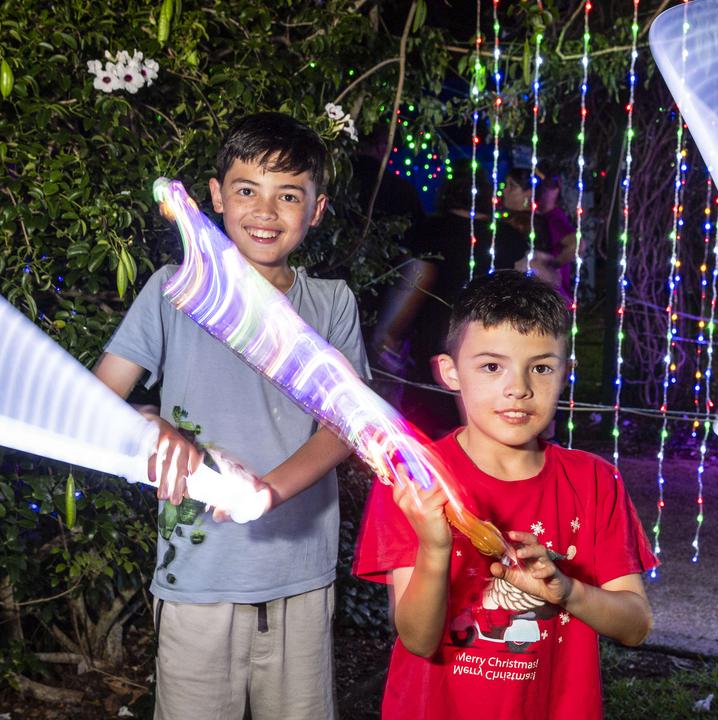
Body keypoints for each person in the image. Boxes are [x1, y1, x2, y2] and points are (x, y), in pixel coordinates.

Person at [94, 112, 369, 719]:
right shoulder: (172, 291)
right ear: (217, 197)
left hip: (299, 575)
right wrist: (150, 420)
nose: (265, 212)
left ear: (316, 209)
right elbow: (97, 399)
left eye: (288, 195)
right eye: (247, 190)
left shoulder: (331, 303)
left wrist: (268, 491)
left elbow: (345, 428)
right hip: (199, 575)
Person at [354, 270, 657, 719]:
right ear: (450, 372)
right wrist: (436, 548)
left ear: (565, 373)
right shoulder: (416, 481)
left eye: (541, 367)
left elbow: (636, 626)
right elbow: (417, 639)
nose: (519, 387)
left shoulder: (595, 482)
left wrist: (566, 589)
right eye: (492, 366)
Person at [372, 168, 529, 437]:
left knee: (433, 431)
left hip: (437, 343)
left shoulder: (430, 231)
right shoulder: (507, 237)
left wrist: (388, 334)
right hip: (495, 345)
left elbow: (413, 283)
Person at [502, 169, 578, 297]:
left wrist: (553, 265)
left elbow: (576, 243)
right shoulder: (534, 218)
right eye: (506, 185)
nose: (505, 191)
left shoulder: (534, 222)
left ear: (529, 192)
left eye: (512, 186)